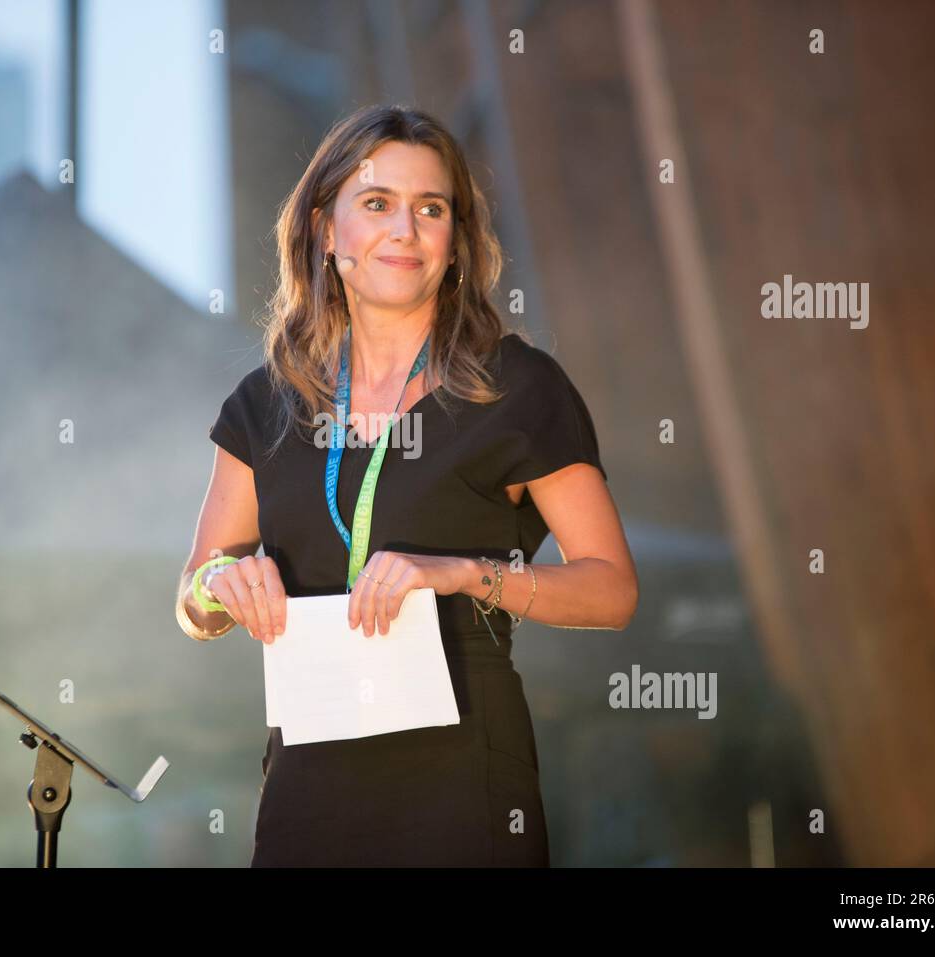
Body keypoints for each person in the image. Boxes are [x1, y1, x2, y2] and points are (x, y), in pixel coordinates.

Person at [176, 104, 638, 866]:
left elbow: (613, 590)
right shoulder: (264, 402)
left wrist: (460, 572)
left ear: (455, 242)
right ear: (326, 230)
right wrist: (224, 580)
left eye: (432, 209)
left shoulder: (519, 388)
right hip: (308, 778)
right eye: (377, 204)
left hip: (463, 778)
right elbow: (192, 597)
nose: (406, 229)